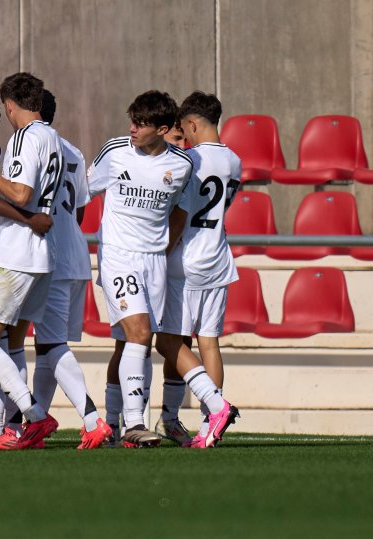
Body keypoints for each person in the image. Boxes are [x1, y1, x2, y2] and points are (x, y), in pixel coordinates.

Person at [88, 90, 192, 448]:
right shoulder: (115, 151)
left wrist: (167, 244)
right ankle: (134, 423)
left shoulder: (181, 165)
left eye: (140, 124)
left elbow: (182, 208)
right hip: (118, 255)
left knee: (135, 344)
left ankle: (117, 426)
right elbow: (83, 191)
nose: (131, 128)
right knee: (140, 333)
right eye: (131, 120)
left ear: (163, 129)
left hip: (154, 261)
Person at [0, 72, 61, 450]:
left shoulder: (24, 137)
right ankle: (17, 427)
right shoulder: (52, 136)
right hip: (41, 256)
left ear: (8, 106)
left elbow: (21, 193)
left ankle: (34, 417)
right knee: (13, 343)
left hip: (16, 255)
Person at [155, 91, 242, 448]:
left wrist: (162, 251)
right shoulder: (235, 161)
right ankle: (208, 425)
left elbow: (179, 215)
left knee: (169, 341)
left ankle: (212, 407)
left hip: (186, 262)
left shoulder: (189, 160)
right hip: (218, 259)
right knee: (208, 341)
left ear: (191, 123)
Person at [30, 89, 112, 449]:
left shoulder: (30, 145)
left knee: (50, 343)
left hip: (51, 258)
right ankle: (35, 423)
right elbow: (79, 209)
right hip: (76, 254)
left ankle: (93, 419)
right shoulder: (74, 151)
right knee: (49, 345)